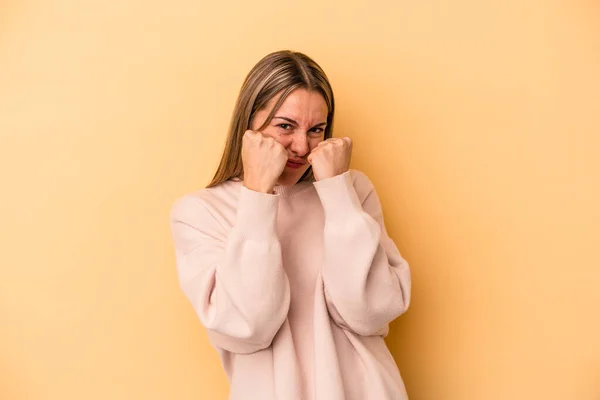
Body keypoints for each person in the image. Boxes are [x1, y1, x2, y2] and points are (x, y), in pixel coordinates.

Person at [169, 50, 411, 400]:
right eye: (285, 126)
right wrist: (257, 196)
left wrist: (337, 193)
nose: (301, 146)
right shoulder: (200, 212)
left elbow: (371, 312)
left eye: (317, 130)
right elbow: (249, 326)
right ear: (248, 126)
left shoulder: (351, 191)